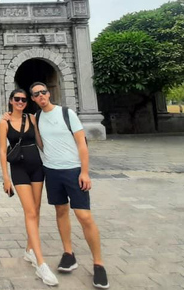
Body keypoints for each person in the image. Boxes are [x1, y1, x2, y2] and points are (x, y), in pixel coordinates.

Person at [30, 82, 109, 289]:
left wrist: (84, 171)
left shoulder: (67, 114)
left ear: (49, 93)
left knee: (84, 216)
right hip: (52, 171)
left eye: (43, 92)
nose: (41, 96)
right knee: (61, 211)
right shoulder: (37, 117)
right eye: (36, 94)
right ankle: (68, 253)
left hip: (73, 170)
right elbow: (40, 143)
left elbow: (82, 143)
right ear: (33, 99)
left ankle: (98, 264)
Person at [0, 89, 59, 287]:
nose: (20, 102)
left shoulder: (32, 118)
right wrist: (5, 177)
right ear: (10, 101)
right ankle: (41, 263)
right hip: (19, 169)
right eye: (17, 99)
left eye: (23, 100)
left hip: (36, 167)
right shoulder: (4, 122)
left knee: (37, 209)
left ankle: (29, 250)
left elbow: (41, 142)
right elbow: (1, 151)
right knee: (30, 211)